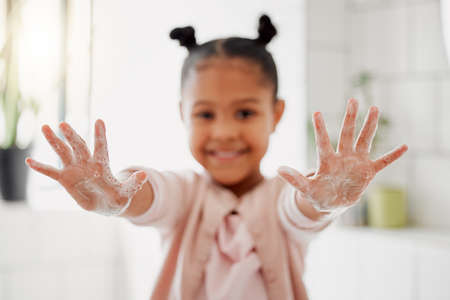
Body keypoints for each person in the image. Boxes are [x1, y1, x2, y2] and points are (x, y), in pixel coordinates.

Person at [25, 14, 408, 300]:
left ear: (275, 114)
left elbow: (302, 209)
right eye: (205, 114)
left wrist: (321, 201)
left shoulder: (285, 196)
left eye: (244, 113)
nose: (224, 132)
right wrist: (119, 196)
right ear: (182, 115)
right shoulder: (186, 195)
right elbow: (153, 192)